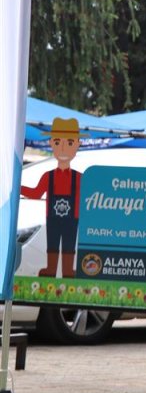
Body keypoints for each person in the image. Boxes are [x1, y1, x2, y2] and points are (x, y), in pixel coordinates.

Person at [21, 117, 87, 278]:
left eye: (70, 143)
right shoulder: (48, 176)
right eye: (58, 142)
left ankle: (67, 271)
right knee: (52, 244)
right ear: (51, 144)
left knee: (69, 245)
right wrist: (18, 188)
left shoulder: (80, 178)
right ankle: (51, 269)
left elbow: (88, 197)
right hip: (52, 218)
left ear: (77, 145)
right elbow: (36, 193)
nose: (63, 148)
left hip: (73, 219)